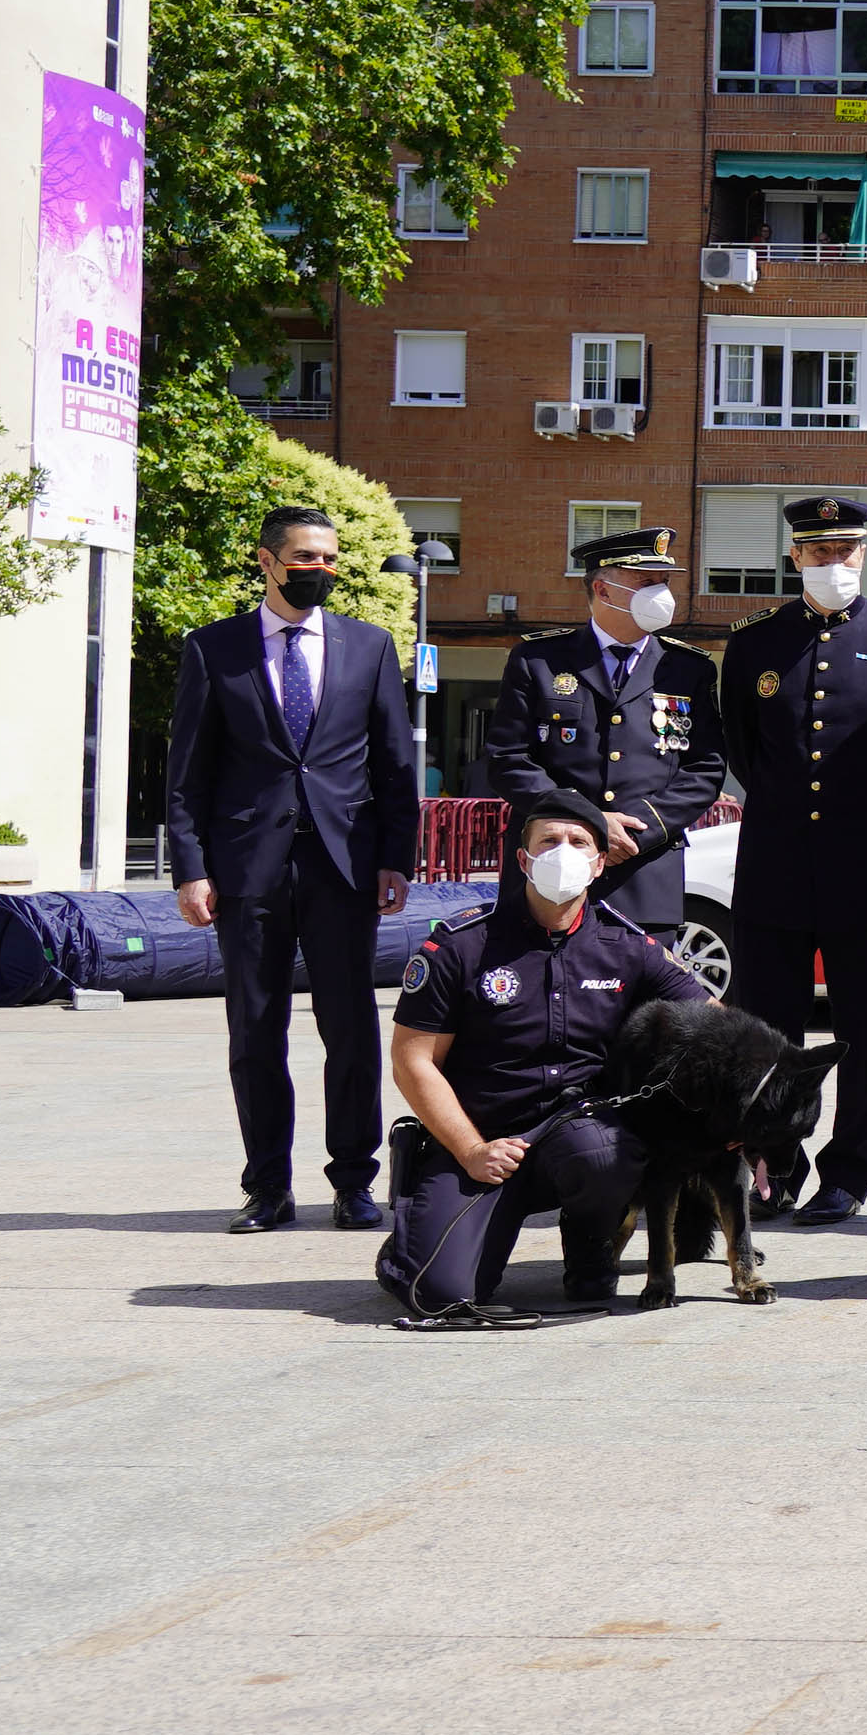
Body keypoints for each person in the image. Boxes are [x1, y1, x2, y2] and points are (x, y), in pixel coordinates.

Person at [164, 503, 421, 1235]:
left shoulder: (369, 647)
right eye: (306, 558)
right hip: (248, 871)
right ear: (268, 560)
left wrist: (396, 859)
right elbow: (188, 776)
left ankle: (353, 1181)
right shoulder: (214, 649)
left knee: (349, 1029)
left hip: (344, 867)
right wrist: (190, 869)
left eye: (331, 560)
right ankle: (267, 1187)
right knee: (255, 1029)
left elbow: (396, 765)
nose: (322, 571)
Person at [375, 790, 709, 1323]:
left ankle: (590, 1248)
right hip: (480, 1138)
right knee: (440, 1293)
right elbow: (412, 1061)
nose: (563, 851)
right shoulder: (460, 945)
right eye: (548, 841)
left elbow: (716, 1023)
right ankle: (415, 1244)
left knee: (606, 1154)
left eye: (579, 842)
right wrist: (470, 1150)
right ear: (523, 858)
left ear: (601, 863)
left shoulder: (630, 947)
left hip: (579, 1134)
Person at [716, 496, 867, 1225]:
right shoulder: (755, 641)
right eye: (818, 553)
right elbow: (744, 748)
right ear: (794, 558)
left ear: (864, 556)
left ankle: (849, 1172)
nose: (832, 564)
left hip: (865, 864)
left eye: (844, 552)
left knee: (863, 1031)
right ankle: (775, 1167)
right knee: (770, 1033)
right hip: (775, 864)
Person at [482, 524, 728, 935]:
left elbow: (705, 768)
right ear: (603, 590)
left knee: (646, 1000)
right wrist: (589, 823)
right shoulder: (538, 659)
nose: (661, 593)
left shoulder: (688, 669)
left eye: (664, 582)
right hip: (552, 867)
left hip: (644, 870)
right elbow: (507, 758)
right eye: (646, 582)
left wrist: (637, 830)